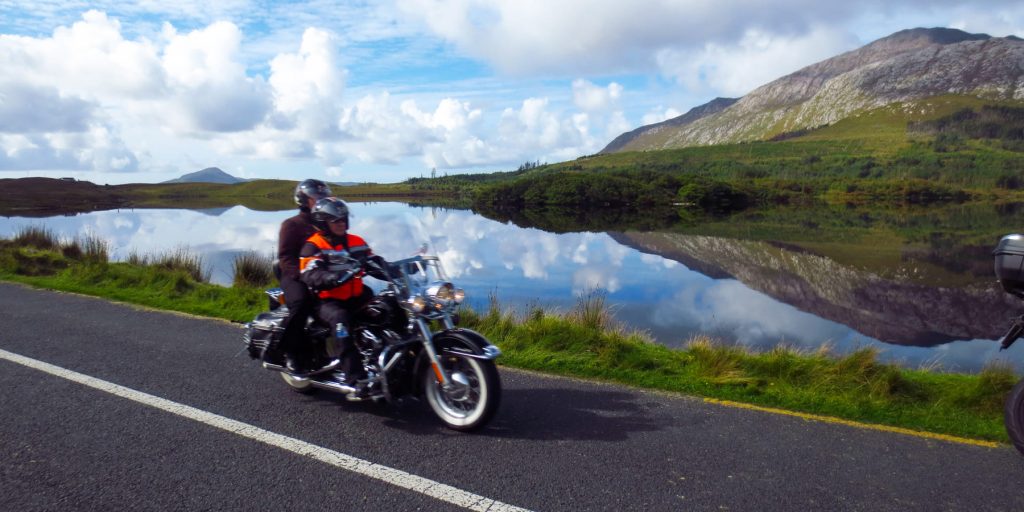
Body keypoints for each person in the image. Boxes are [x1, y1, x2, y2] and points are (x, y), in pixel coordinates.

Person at [299, 197, 388, 385]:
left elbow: (373, 262)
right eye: (335, 220)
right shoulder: (314, 245)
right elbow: (309, 272)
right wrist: (328, 278)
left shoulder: (356, 241)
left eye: (343, 219)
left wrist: (396, 270)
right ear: (323, 223)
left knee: (388, 305)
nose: (341, 224)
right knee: (341, 322)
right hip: (327, 300)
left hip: (356, 296)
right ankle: (354, 377)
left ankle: (391, 357)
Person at [271, 179, 333, 373]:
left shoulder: (328, 223)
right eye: (318, 197)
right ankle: (289, 351)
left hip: (322, 274)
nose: (322, 200)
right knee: (302, 303)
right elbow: (285, 257)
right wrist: (302, 276)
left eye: (324, 196)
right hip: (295, 276)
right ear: (304, 200)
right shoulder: (292, 224)